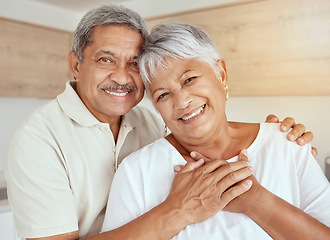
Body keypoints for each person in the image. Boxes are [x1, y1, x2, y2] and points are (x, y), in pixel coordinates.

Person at [5, 5, 315, 240]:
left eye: (134, 64)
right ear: (76, 64)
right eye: (105, 59)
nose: (122, 76)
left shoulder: (149, 120)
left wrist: (279, 140)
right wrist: (180, 209)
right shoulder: (38, 141)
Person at [101, 22, 330, 239]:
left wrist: (256, 200)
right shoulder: (135, 171)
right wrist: (178, 209)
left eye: (189, 79)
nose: (182, 102)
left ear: (221, 74)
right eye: (163, 95)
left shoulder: (286, 142)